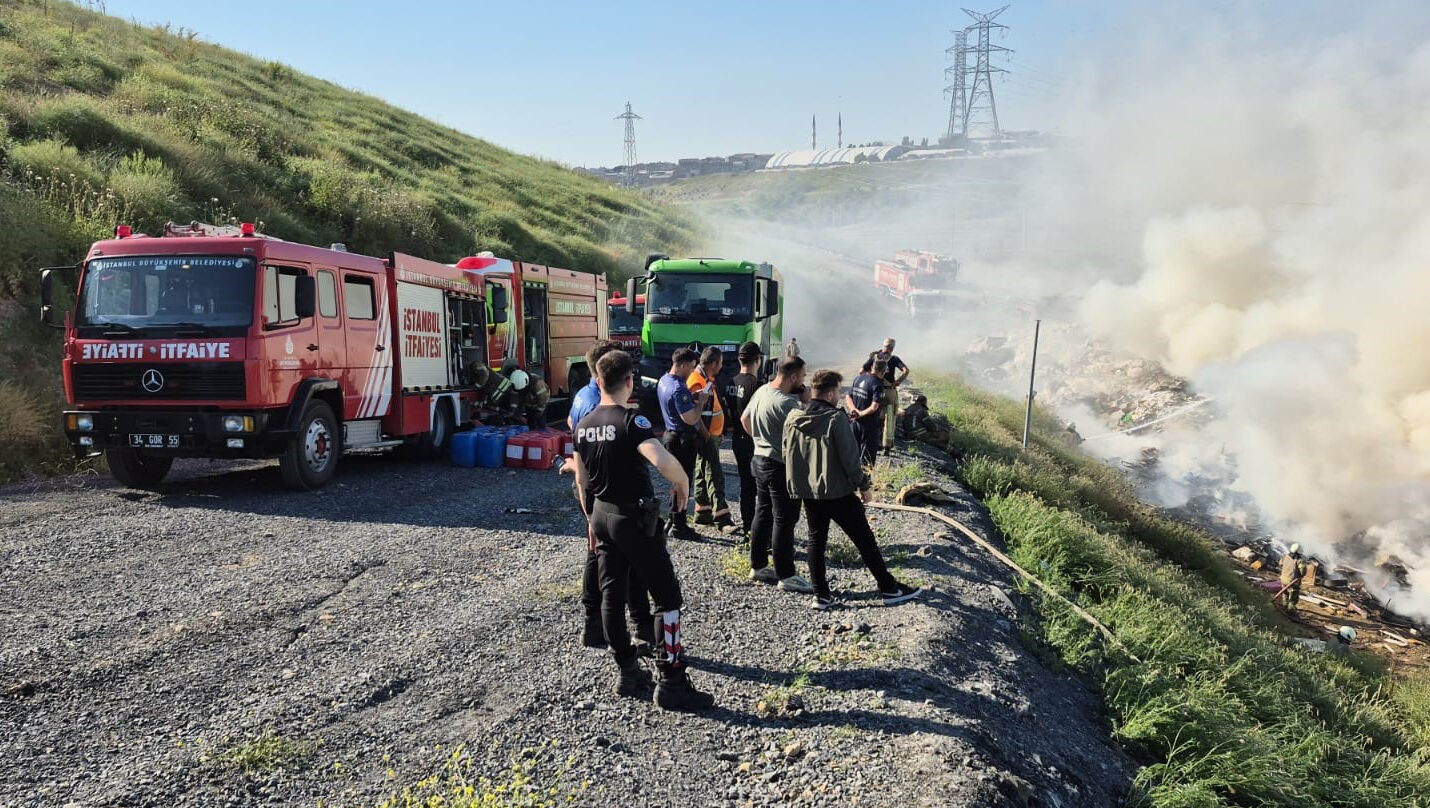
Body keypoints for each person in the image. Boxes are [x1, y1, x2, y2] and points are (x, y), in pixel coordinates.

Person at [572, 349, 714, 709]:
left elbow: (582, 480)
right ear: (630, 382)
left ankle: (627, 670)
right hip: (633, 519)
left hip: (602, 515)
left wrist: (590, 519)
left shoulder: (584, 424)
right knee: (667, 598)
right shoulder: (631, 422)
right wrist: (682, 484)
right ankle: (672, 681)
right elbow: (661, 460)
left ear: (598, 381)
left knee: (611, 594)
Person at [784, 369, 924, 610]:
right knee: (865, 539)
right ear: (829, 394)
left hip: (810, 492)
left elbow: (788, 452)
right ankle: (890, 588)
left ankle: (821, 595)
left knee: (815, 541)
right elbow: (850, 459)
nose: (840, 395)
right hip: (837, 491)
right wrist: (864, 486)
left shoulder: (794, 417)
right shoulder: (835, 419)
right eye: (838, 391)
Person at [563, 339, 641, 650]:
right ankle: (612, 629)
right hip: (600, 488)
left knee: (597, 555)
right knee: (606, 560)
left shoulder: (583, 394)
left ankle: (594, 626)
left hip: (589, 481)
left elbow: (571, 423)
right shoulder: (599, 399)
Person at [741, 356, 814, 594]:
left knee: (763, 512)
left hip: (759, 458)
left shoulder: (762, 390)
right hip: (780, 465)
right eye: (803, 377)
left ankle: (759, 565)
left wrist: (761, 441)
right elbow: (808, 434)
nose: (804, 381)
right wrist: (807, 402)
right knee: (785, 518)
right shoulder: (788, 405)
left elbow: (745, 419)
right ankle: (787, 574)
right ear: (793, 377)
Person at [657, 348, 711, 540]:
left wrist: (691, 400)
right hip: (682, 439)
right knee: (683, 482)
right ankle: (679, 525)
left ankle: (673, 519)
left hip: (669, 435)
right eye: (690, 367)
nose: (692, 371)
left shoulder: (664, 380)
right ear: (680, 365)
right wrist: (701, 402)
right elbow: (690, 418)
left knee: (675, 480)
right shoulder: (679, 388)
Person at [687, 347, 735, 531]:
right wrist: (707, 435)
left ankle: (703, 512)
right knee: (714, 474)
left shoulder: (704, 379)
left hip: (710, 434)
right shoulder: (697, 382)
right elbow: (696, 414)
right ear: (713, 363)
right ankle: (721, 516)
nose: (721, 366)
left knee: (702, 471)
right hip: (705, 436)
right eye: (720, 363)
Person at [724, 342, 764, 540]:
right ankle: (757, 530)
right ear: (758, 359)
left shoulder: (731, 382)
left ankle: (748, 527)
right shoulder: (757, 385)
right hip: (752, 440)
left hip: (737, 440)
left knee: (745, 485)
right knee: (760, 487)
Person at [862, 337, 910, 456]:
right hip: (889, 392)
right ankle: (887, 447)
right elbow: (906, 371)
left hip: (875, 390)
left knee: (875, 416)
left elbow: (861, 371)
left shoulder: (874, 357)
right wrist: (897, 382)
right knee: (890, 418)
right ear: (892, 348)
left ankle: (874, 442)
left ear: (883, 346)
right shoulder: (894, 359)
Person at [846, 359, 886, 467]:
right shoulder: (877, 384)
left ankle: (850, 481)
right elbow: (874, 407)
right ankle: (864, 482)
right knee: (867, 459)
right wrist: (861, 413)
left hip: (854, 423)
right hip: (869, 426)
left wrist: (853, 410)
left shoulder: (858, 378)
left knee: (852, 454)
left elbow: (848, 396)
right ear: (883, 372)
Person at [1279, 543, 1309, 613]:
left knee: (1285, 593)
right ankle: (1290, 611)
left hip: (1283, 579)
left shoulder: (1284, 556)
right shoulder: (1299, 561)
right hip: (1292, 582)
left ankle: (1284, 605)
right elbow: (1303, 572)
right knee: (1293, 598)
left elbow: (1280, 564)